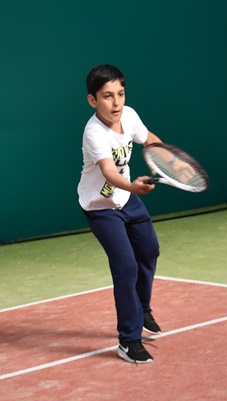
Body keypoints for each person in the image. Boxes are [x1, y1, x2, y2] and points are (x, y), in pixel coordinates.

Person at [78, 64, 162, 364]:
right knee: (126, 266)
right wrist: (133, 186)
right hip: (101, 208)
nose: (116, 103)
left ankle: (142, 309)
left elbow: (148, 138)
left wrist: (165, 157)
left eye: (120, 94)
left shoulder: (129, 115)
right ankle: (128, 341)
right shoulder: (94, 133)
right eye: (107, 96)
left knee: (149, 251)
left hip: (127, 201)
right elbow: (109, 172)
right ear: (92, 100)